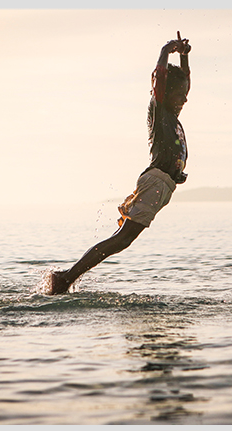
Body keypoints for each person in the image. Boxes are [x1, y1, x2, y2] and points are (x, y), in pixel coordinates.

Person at [48, 32, 192, 294]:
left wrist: (184, 59)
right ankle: (66, 278)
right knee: (122, 239)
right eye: (180, 94)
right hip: (156, 181)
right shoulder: (160, 110)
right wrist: (165, 50)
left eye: (185, 94)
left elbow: (185, 83)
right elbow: (160, 78)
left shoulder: (171, 112)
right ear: (165, 93)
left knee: (121, 239)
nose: (185, 98)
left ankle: (66, 277)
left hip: (163, 186)